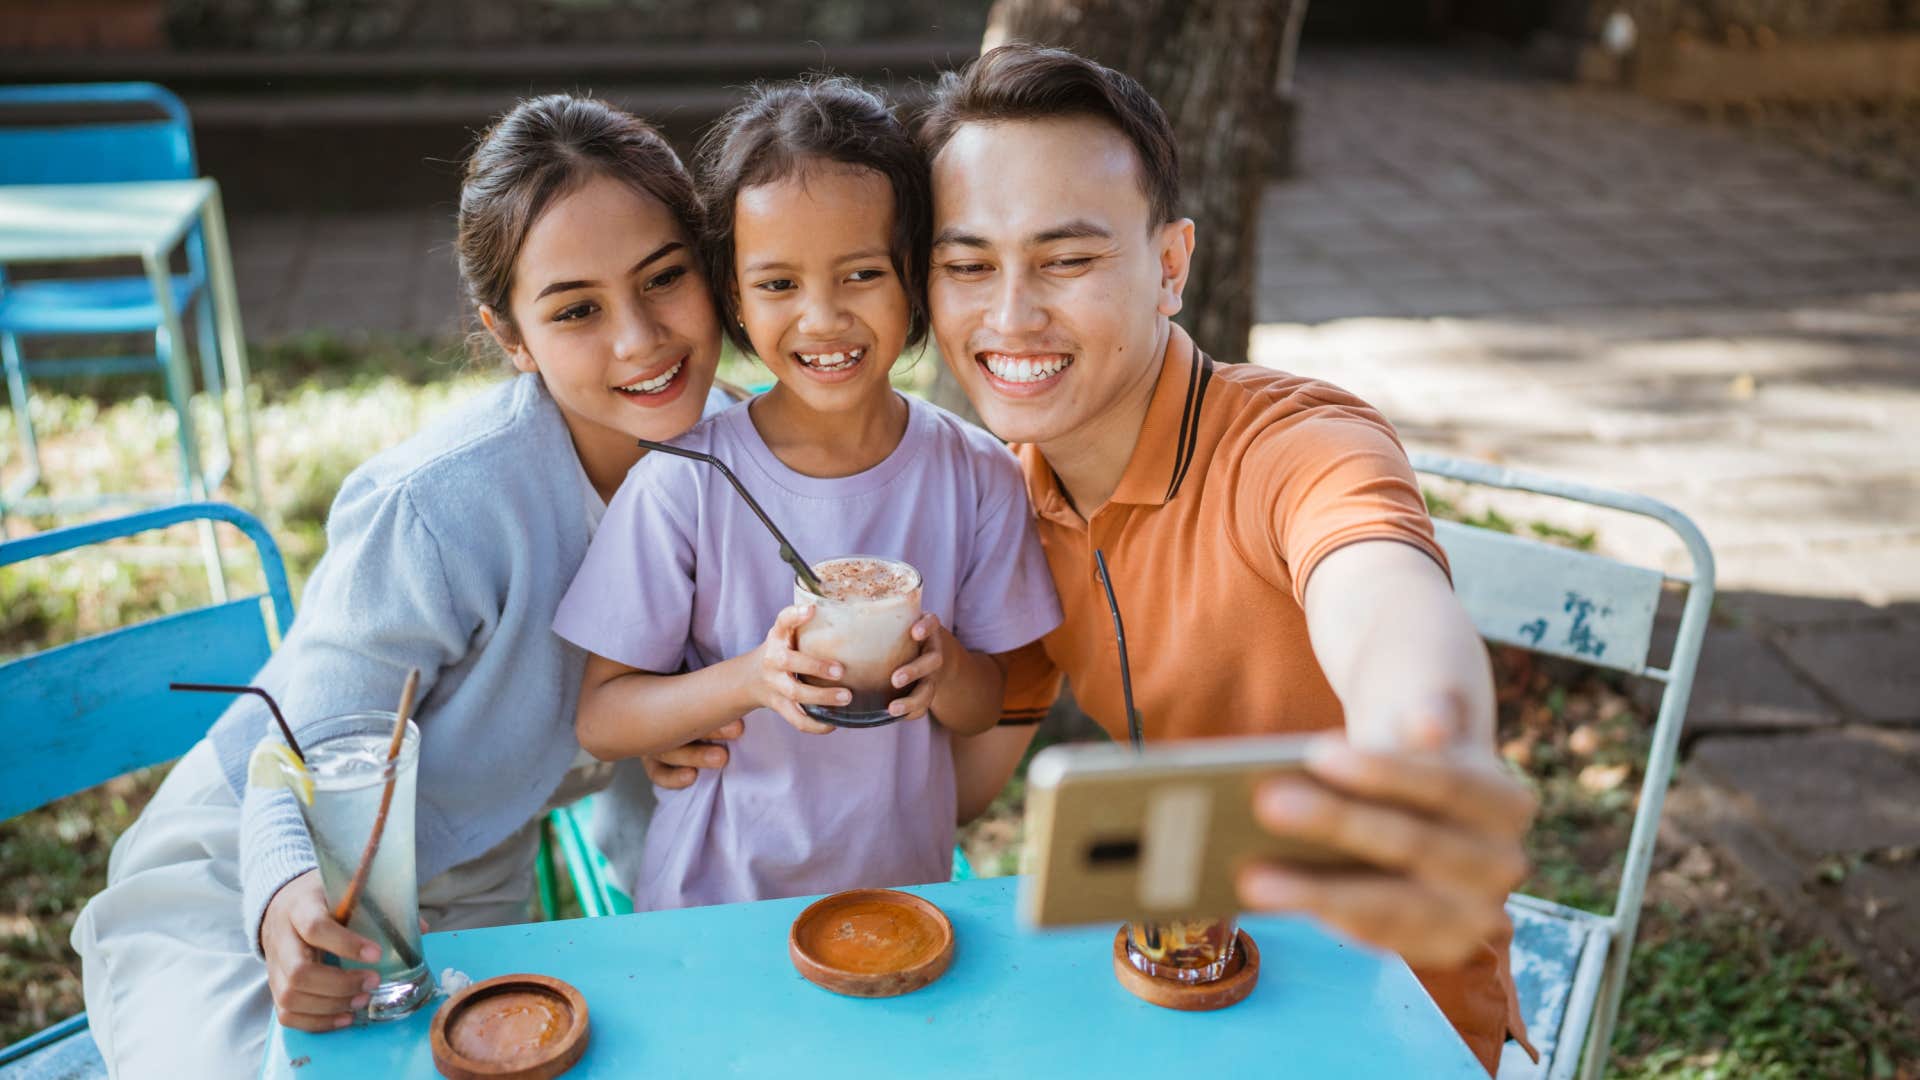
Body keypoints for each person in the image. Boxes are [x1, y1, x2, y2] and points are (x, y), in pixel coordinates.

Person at [69, 94, 739, 1078]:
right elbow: (296, 754)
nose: (640, 338)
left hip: (465, 901)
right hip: (243, 884)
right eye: (576, 310)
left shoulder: (746, 471)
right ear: (510, 335)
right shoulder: (443, 508)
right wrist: (283, 904)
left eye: (664, 278)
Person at [920, 46, 1537, 1073]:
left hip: (1397, 1011)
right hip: (1186, 995)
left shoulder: (1296, 443)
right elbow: (964, 787)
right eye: (969, 264)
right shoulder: (1006, 496)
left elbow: (1384, 601)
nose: (1011, 313)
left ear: (1170, 268)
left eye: (1066, 259)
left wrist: (1425, 742)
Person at [553, 76, 1060, 911]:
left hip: (902, 896)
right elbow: (604, 719)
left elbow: (983, 711)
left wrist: (945, 669)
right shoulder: (686, 482)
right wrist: (755, 678)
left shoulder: (977, 476)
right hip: (716, 905)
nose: (821, 318)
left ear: (917, 279)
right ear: (736, 300)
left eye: (861, 273)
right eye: (779, 284)